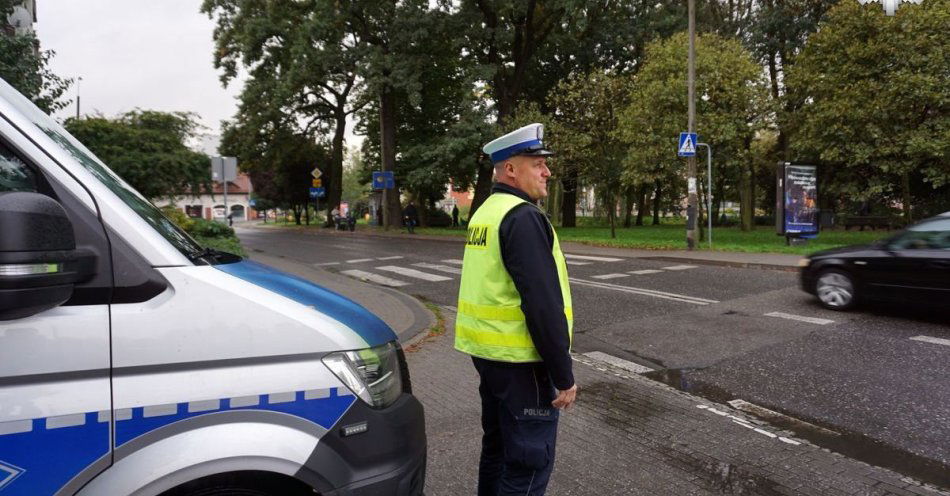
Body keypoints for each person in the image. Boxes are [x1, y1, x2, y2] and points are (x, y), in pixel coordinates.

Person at [455, 123, 576, 496]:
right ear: (511, 169)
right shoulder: (522, 216)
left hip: (490, 358)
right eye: (538, 163)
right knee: (527, 464)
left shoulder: (487, 212)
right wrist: (564, 374)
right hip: (524, 365)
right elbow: (542, 304)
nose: (547, 171)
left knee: (498, 452)